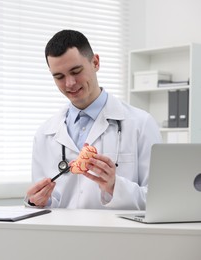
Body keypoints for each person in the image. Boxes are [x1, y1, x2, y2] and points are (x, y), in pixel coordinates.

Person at [25, 30, 162, 210]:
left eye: (76, 71)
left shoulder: (141, 124)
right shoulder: (45, 133)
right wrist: (38, 201)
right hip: (63, 236)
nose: (70, 83)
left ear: (95, 62)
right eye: (59, 77)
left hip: (117, 236)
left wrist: (115, 186)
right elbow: (48, 203)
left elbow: (158, 200)